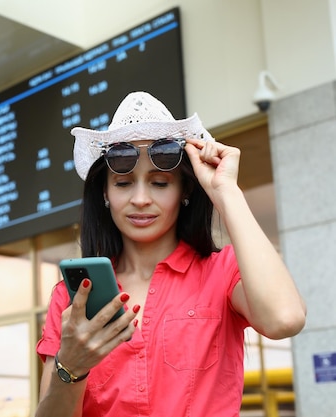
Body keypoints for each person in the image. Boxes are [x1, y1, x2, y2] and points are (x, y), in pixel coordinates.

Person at [35, 91, 306, 417]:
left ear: (185, 190)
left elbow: (285, 319)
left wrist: (225, 191)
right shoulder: (72, 297)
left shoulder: (222, 272)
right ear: (104, 193)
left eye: (160, 183)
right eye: (123, 183)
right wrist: (71, 368)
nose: (140, 198)